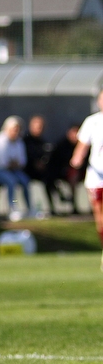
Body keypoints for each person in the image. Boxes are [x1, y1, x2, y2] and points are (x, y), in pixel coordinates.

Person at [70, 90, 103, 269]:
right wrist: (76, 163)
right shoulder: (92, 121)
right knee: (100, 218)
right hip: (97, 178)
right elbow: (82, 147)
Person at [0, 115, 31, 221]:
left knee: (25, 181)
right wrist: (13, 163)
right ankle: (12, 209)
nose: (15, 132)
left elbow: (22, 162)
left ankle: (30, 209)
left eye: (17, 129)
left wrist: (13, 164)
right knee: (11, 181)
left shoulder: (19, 142)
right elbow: (2, 163)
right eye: (13, 129)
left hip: (10, 171)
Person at [46, 124, 82, 215]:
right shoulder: (61, 145)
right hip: (60, 172)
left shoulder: (82, 145)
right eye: (74, 132)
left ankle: (74, 205)